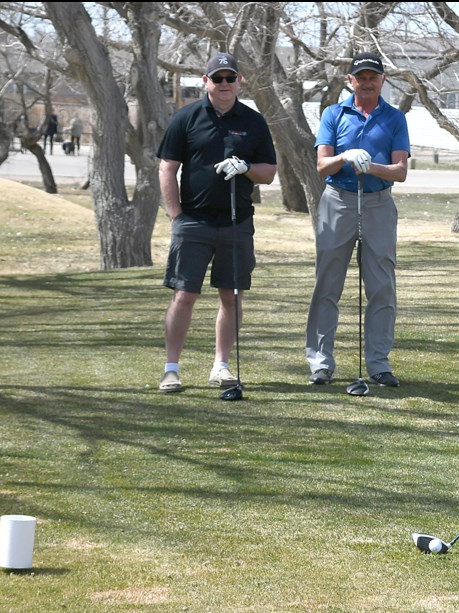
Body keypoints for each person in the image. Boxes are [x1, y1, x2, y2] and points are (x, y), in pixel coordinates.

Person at [156, 52, 277, 394]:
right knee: (184, 294)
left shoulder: (253, 121)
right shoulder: (186, 118)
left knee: (232, 295)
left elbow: (268, 173)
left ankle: (221, 367)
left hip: (236, 223)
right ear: (206, 81)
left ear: (240, 81)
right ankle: (171, 369)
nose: (224, 84)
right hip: (193, 221)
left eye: (230, 78)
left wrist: (245, 168)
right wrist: (175, 214)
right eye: (217, 78)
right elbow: (167, 167)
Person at [305, 52, 410, 388]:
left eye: (373, 77)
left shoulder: (395, 118)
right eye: (360, 77)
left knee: (381, 286)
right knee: (328, 283)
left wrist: (372, 167)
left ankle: (379, 364)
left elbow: (401, 171)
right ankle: (321, 362)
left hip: (378, 202)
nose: (367, 82)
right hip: (338, 201)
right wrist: (345, 157)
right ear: (350, 80)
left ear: (382, 80)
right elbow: (322, 166)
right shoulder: (334, 114)